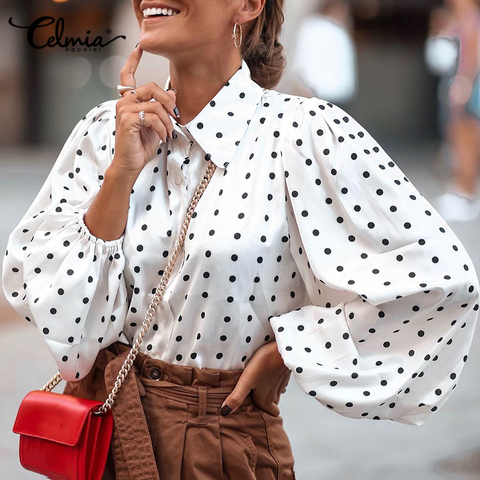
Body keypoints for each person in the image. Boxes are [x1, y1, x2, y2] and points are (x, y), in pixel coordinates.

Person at [2, 0, 480, 477]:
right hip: (104, 436)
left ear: (248, 5)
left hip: (221, 447)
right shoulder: (105, 131)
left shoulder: (303, 134)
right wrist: (121, 174)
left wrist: (294, 348)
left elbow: (441, 285)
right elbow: (70, 340)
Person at [431, 0, 480, 221]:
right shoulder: (462, 18)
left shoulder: (471, 18)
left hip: (468, 84)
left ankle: (466, 193)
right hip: (466, 82)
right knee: (459, 137)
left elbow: (471, 54)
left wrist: (464, 81)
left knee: (465, 138)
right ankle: (462, 190)